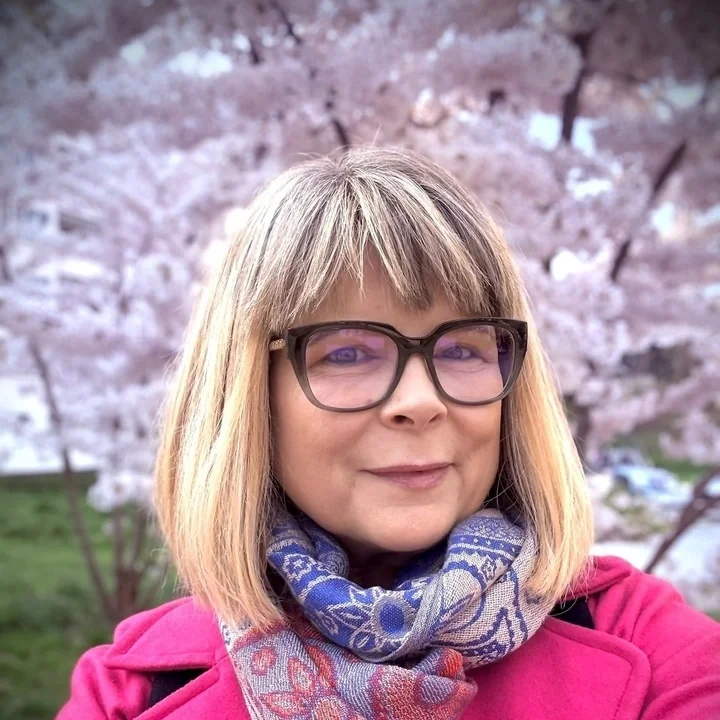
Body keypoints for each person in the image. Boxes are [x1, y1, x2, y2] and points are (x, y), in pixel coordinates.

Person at [57, 148, 720, 720]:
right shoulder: (130, 693)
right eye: (346, 353)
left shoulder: (653, 649)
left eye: (461, 349)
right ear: (250, 394)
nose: (420, 402)